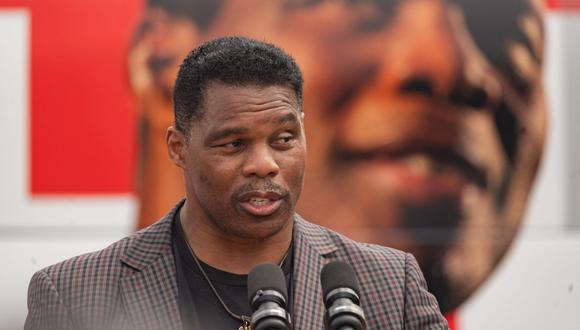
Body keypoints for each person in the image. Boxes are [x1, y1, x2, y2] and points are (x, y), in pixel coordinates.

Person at [130, 0, 546, 313]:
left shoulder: (399, 286)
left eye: (513, 40)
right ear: (162, 61)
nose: (452, 68)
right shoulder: (80, 295)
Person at [25, 37, 447, 329]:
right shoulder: (76, 295)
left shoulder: (391, 285)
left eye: (283, 140)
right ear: (177, 147)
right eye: (233, 143)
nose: (264, 165)